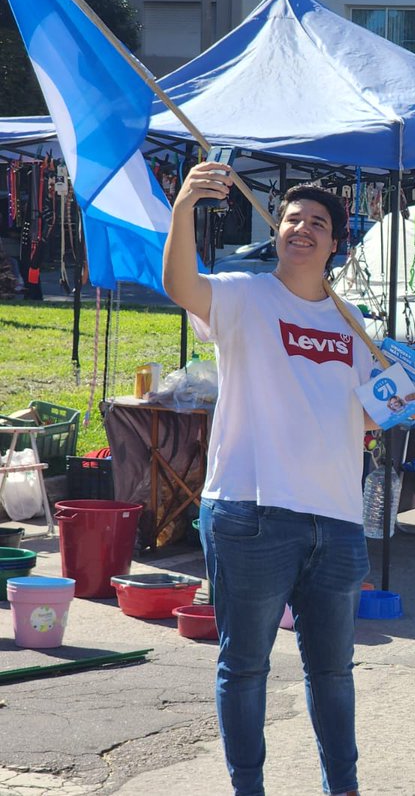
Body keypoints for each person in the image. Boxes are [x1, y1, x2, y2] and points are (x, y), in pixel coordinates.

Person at [163, 163, 374, 796]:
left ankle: (344, 787)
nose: (302, 228)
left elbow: (362, 412)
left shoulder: (353, 321)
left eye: (318, 223)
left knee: (334, 673)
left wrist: (404, 401)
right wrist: (183, 207)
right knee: (245, 667)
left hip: (337, 519)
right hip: (251, 511)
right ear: (276, 231)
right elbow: (178, 284)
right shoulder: (242, 294)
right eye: (291, 219)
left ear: (336, 243)